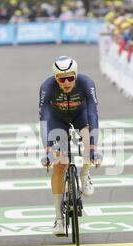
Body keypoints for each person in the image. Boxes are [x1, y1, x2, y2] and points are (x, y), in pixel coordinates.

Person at [39, 56, 102, 236]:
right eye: (61, 78)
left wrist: (93, 149)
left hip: (81, 116)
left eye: (70, 78)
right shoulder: (47, 87)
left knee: (89, 143)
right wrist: (48, 149)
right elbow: (44, 119)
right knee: (60, 164)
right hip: (57, 119)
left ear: (76, 75)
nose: (66, 82)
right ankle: (59, 219)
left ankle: (84, 174)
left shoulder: (86, 83)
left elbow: (93, 115)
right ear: (55, 78)